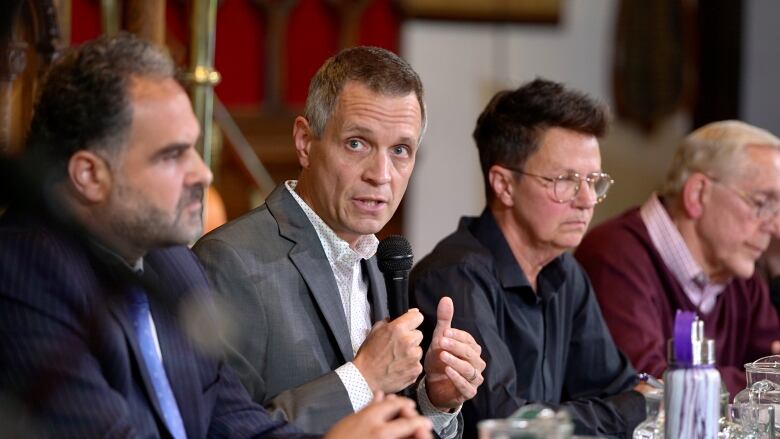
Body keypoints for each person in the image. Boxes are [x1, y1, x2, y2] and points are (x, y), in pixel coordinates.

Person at [0, 33, 433, 439]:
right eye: (172, 155)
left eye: (194, 147)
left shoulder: (173, 267)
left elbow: (241, 428)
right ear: (90, 175)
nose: (203, 172)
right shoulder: (22, 276)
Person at [193, 46, 484, 436]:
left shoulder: (381, 262)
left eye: (400, 150)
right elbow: (218, 430)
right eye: (357, 143)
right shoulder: (228, 261)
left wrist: (433, 400)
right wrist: (362, 378)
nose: (381, 175)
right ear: (305, 141)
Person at [410, 79, 646, 438]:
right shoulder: (455, 278)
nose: (586, 200)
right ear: (504, 185)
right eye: (566, 180)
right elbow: (507, 426)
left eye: (593, 181)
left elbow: (617, 386)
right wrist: (629, 410)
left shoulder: (566, 271)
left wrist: (630, 404)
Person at [575, 120, 780, 397]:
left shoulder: (742, 278)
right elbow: (653, 389)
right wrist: (760, 385)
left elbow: (772, 368)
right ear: (698, 194)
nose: (774, 225)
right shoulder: (614, 256)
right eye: (761, 203)